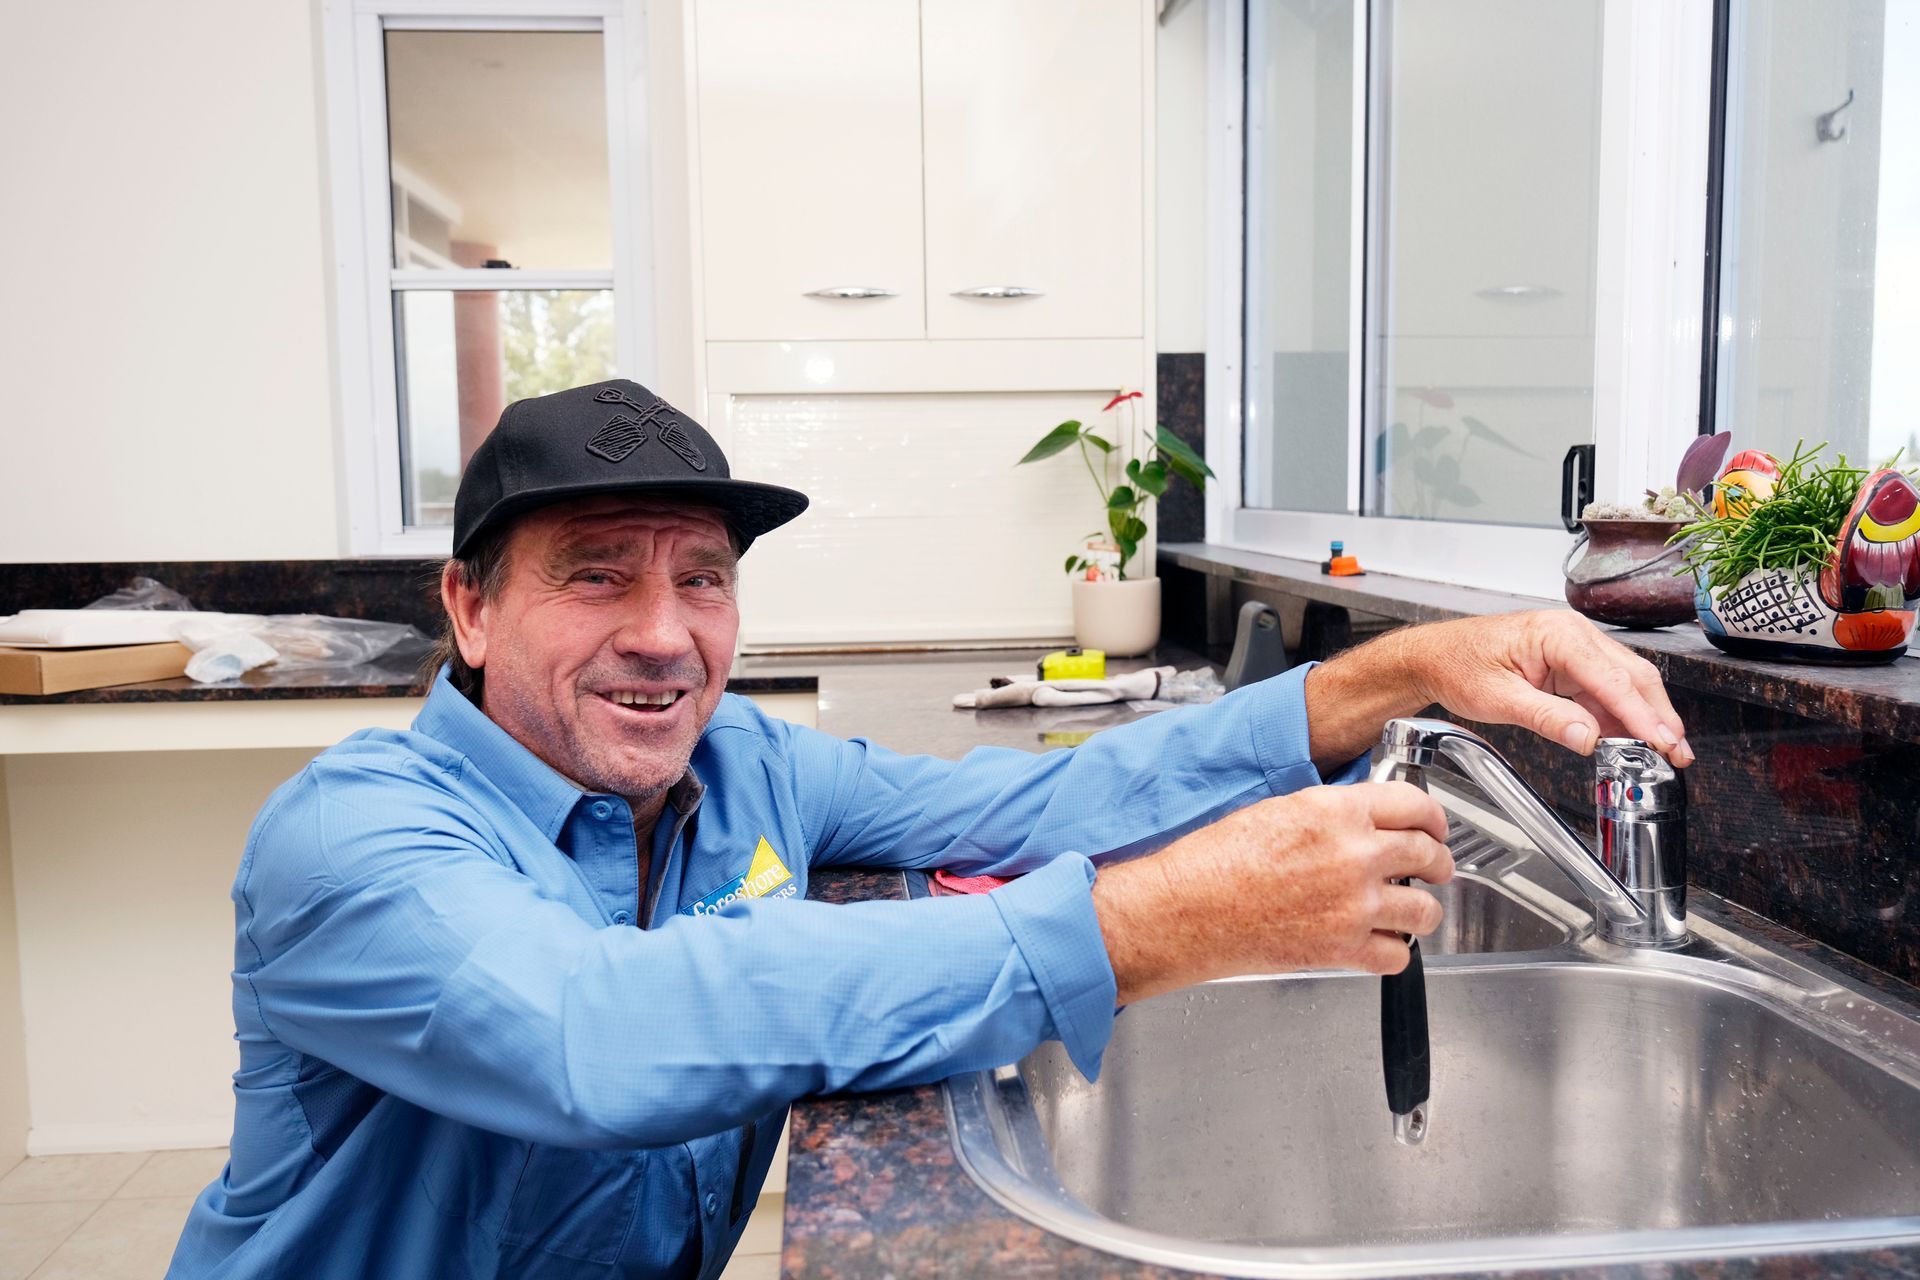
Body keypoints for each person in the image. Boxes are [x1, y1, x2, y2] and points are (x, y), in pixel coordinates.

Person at [168, 380, 1691, 1279]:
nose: (663, 632)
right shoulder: (351, 841)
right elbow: (594, 1035)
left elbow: (1041, 803)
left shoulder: (749, 764)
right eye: (595, 574)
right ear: (469, 606)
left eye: (700, 579)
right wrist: (1147, 927)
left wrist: (1387, 674)